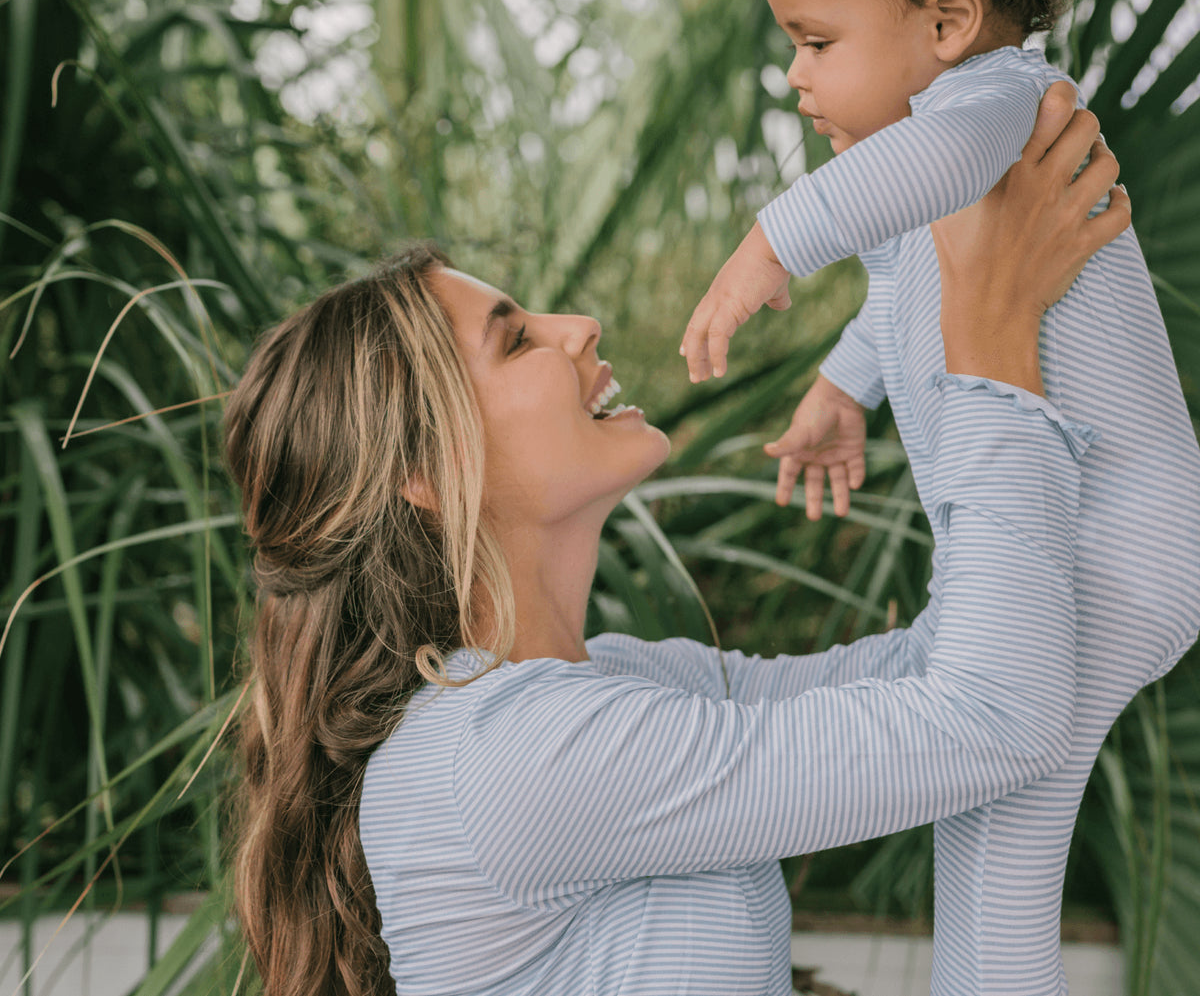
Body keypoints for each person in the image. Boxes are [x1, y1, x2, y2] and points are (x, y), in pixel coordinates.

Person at [225, 89, 1128, 996]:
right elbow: (994, 718)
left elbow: (946, 665)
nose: (578, 328)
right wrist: (991, 341)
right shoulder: (506, 752)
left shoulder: (619, 682)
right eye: (517, 341)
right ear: (422, 469)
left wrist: (923, 247)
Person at [679, 0, 1200, 992]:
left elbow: (914, 173)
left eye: (816, 41)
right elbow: (902, 298)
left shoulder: (1001, 107)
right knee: (984, 807)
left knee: (1004, 814)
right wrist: (836, 389)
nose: (796, 73)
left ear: (949, 23)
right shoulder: (952, 168)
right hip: (1082, 537)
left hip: (1120, 540)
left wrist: (774, 239)